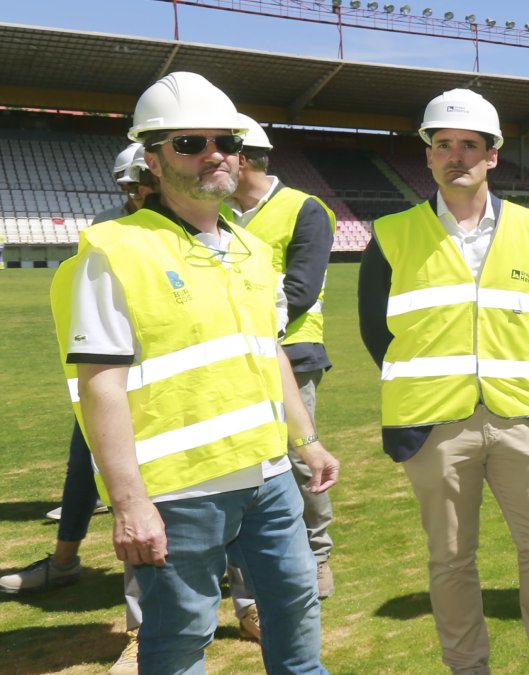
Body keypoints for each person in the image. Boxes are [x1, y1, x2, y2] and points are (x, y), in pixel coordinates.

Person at [48, 71, 338, 673]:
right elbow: (99, 385)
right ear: (152, 159)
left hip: (268, 477)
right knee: (179, 642)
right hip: (179, 492)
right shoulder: (113, 251)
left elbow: (269, 351)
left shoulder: (251, 248)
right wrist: (129, 503)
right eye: (189, 143)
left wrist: (306, 441)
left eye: (226, 142)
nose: (214, 155)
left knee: (297, 613)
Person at [357, 88, 529, 675]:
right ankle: (468, 667)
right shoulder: (390, 233)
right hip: (432, 423)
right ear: (429, 156)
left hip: (520, 417)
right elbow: (375, 334)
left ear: (493, 155)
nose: (456, 154)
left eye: (469, 144)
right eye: (443, 145)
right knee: (451, 559)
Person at [1, 141, 160, 674]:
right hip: (108, 375)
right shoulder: (108, 227)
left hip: (172, 387)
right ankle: (66, 563)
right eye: (126, 185)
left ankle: (205, 612)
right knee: (86, 470)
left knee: (185, 496)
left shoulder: (205, 225)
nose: (131, 194)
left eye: (136, 182)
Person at [224, 113, 338, 639]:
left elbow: (302, 288)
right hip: (225, 357)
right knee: (240, 464)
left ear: (241, 158)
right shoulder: (216, 213)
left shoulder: (304, 209)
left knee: (297, 460)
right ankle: (244, 570)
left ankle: (317, 555)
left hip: (292, 353)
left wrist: (245, 332)